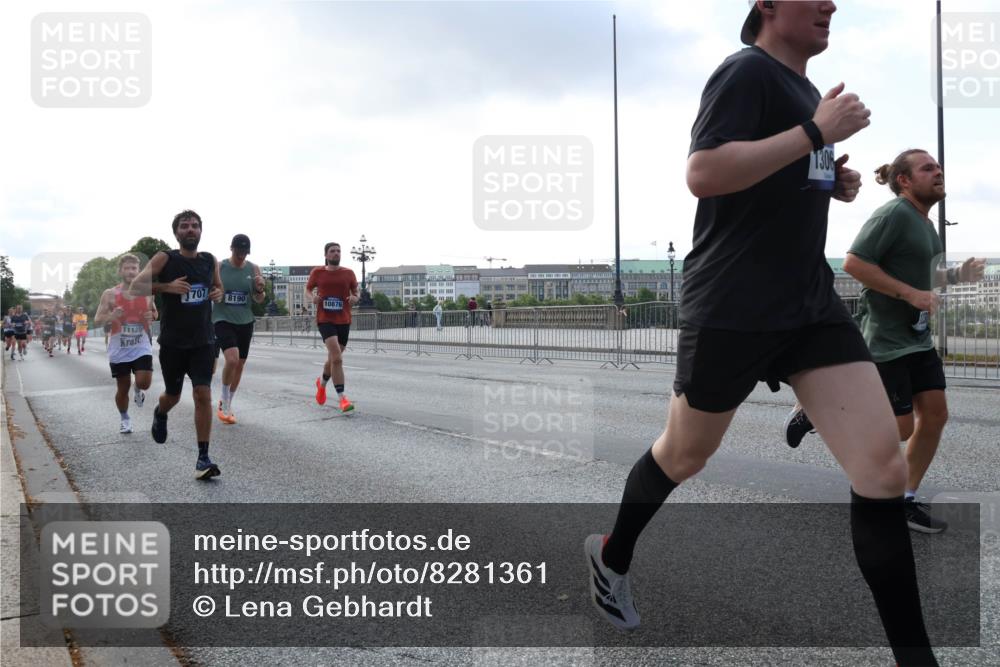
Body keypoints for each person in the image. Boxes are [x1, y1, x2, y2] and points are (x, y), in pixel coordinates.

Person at [585, 3, 938, 665]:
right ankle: (612, 555)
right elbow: (705, 173)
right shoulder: (745, 72)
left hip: (808, 304)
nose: (832, 5)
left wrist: (831, 178)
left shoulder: (807, 94)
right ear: (769, 6)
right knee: (685, 455)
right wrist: (813, 132)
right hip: (733, 304)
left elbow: (773, 174)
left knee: (883, 471)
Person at [784, 149, 985, 534]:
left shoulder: (925, 224)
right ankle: (820, 413)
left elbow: (926, 278)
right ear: (905, 181)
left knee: (936, 415)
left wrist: (959, 274)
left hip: (917, 339)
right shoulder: (892, 214)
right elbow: (854, 263)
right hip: (887, 340)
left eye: (939, 167)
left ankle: (904, 499)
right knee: (902, 427)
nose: (938, 172)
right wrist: (909, 295)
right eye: (928, 168)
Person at [131, 210, 224, 479]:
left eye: (195, 225)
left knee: (202, 394)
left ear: (201, 231)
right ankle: (160, 413)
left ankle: (203, 457)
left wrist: (218, 292)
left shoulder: (209, 260)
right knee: (173, 395)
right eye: (185, 226)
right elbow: (135, 287)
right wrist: (166, 287)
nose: (191, 229)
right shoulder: (165, 258)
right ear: (177, 232)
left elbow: (218, 288)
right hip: (173, 342)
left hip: (203, 341)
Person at [94, 254, 158, 434]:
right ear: (120, 271)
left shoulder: (147, 292)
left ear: (139, 271)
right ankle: (125, 419)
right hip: (119, 348)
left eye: (134, 268)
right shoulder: (110, 294)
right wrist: (111, 316)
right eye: (127, 268)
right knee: (122, 388)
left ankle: (139, 389)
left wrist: (151, 316)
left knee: (144, 382)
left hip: (141, 345)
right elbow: (98, 319)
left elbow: (154, 313)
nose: (131, 272)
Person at [212, 234, 266, 424]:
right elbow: (211, 292)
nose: (241, 255)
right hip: (222, 318)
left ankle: (227, 403)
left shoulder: (253, 268)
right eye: (238, 251)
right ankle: (224, 401)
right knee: (232, 359)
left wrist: (260, 289)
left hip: (245, 320)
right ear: (231, 248)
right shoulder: (219, 267)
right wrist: (216, 294)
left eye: (245, 251)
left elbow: (258, 300)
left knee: (240, 363)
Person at [306, 242, 359, 413]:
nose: (336, 253)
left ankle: (321, 384)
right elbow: (307, 289)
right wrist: (312, 297)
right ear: (326, 255)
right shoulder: (318, 272)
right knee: (337, 358)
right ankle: (342, 399)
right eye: (332, 251)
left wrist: (355, 298)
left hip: (343, 320)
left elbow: (357, 292)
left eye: (338, 251)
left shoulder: (348, 273)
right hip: (325, 319)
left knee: (332, 360)